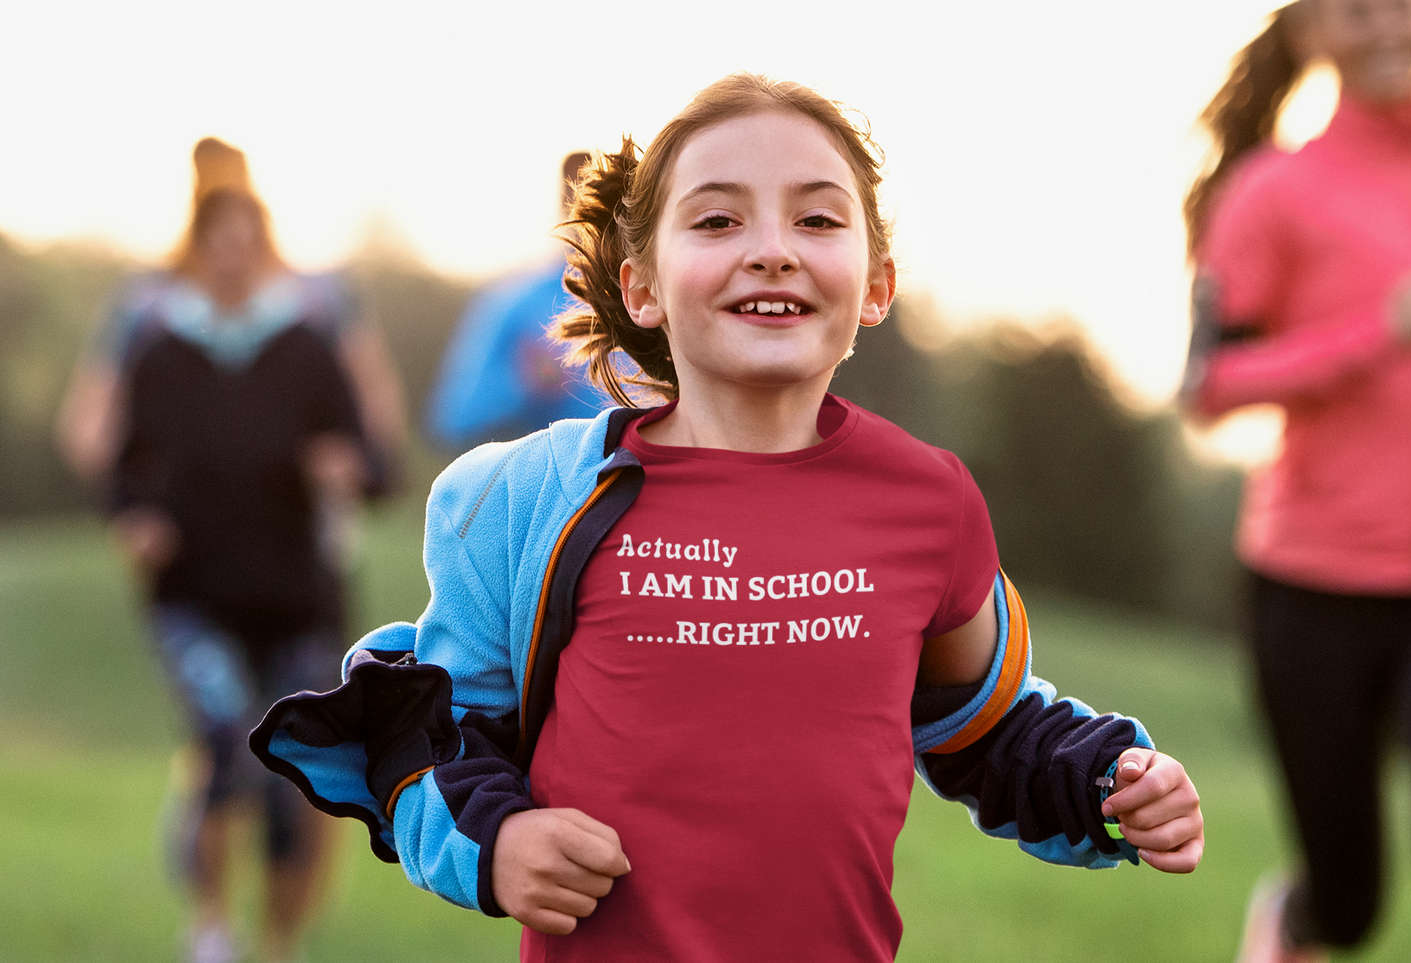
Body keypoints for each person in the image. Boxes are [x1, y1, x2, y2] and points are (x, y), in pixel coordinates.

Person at [253, 74, 1204, 961]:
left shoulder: (930, 502)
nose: (772, 246)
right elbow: (433, 728)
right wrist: (498, 840)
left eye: (817, 217)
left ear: (874, 283)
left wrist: (1104, 780)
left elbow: (981, 729)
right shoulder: (532, 500)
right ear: (642, 286)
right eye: (716, 218)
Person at [1182, 2, 1411, 961]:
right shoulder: (1273, 192)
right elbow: (1206, 384)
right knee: (1348, 904)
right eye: (1352, 10)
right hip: (1314, 588)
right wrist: (1379, 331)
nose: (1383, 25)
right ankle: (1291, 926)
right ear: (1312, 36)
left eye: (1396, 3)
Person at [105, 138, 384, 963]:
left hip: (299, 590)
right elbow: (125, 464)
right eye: (213, 241)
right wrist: (138, 517)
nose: (229, 257)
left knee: (293, 772)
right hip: (195, 591)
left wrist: (346, 467)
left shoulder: (304, 342)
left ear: (264, 247)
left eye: (244, 240)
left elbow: (371, 460)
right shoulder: (160, 348)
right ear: (194, 251)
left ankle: (278, 944)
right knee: (227, 741)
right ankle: (211, 928)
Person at [56, 138, 407, 493]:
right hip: (189, 515)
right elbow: (88, 433)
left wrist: (356, 465)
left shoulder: (317, 300)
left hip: (294, 511)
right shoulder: (151, 306)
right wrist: (139, 489)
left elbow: (374, 414)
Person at [426, 152, 612, 448]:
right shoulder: (511, 304)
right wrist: (524, 382)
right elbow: (451, 421)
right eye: (585, 198)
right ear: (567, 203)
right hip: (559, 486)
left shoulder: (660, 304)